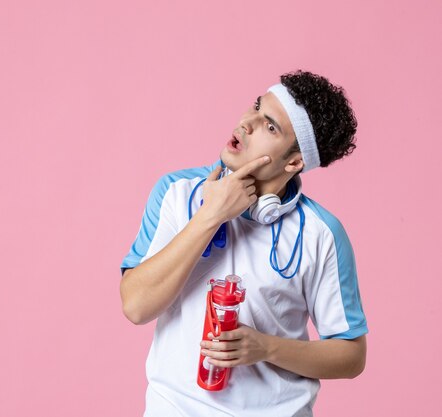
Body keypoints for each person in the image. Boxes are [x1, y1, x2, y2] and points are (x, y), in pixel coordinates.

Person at [120, 70, 368, 417]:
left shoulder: (321, 234)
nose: (246, 123)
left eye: (270, 127)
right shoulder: (176, 193)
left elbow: (351, 355)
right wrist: (211, 216)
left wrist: (266, 348)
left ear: (294, 162)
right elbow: (136, 306)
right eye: (255, 106)